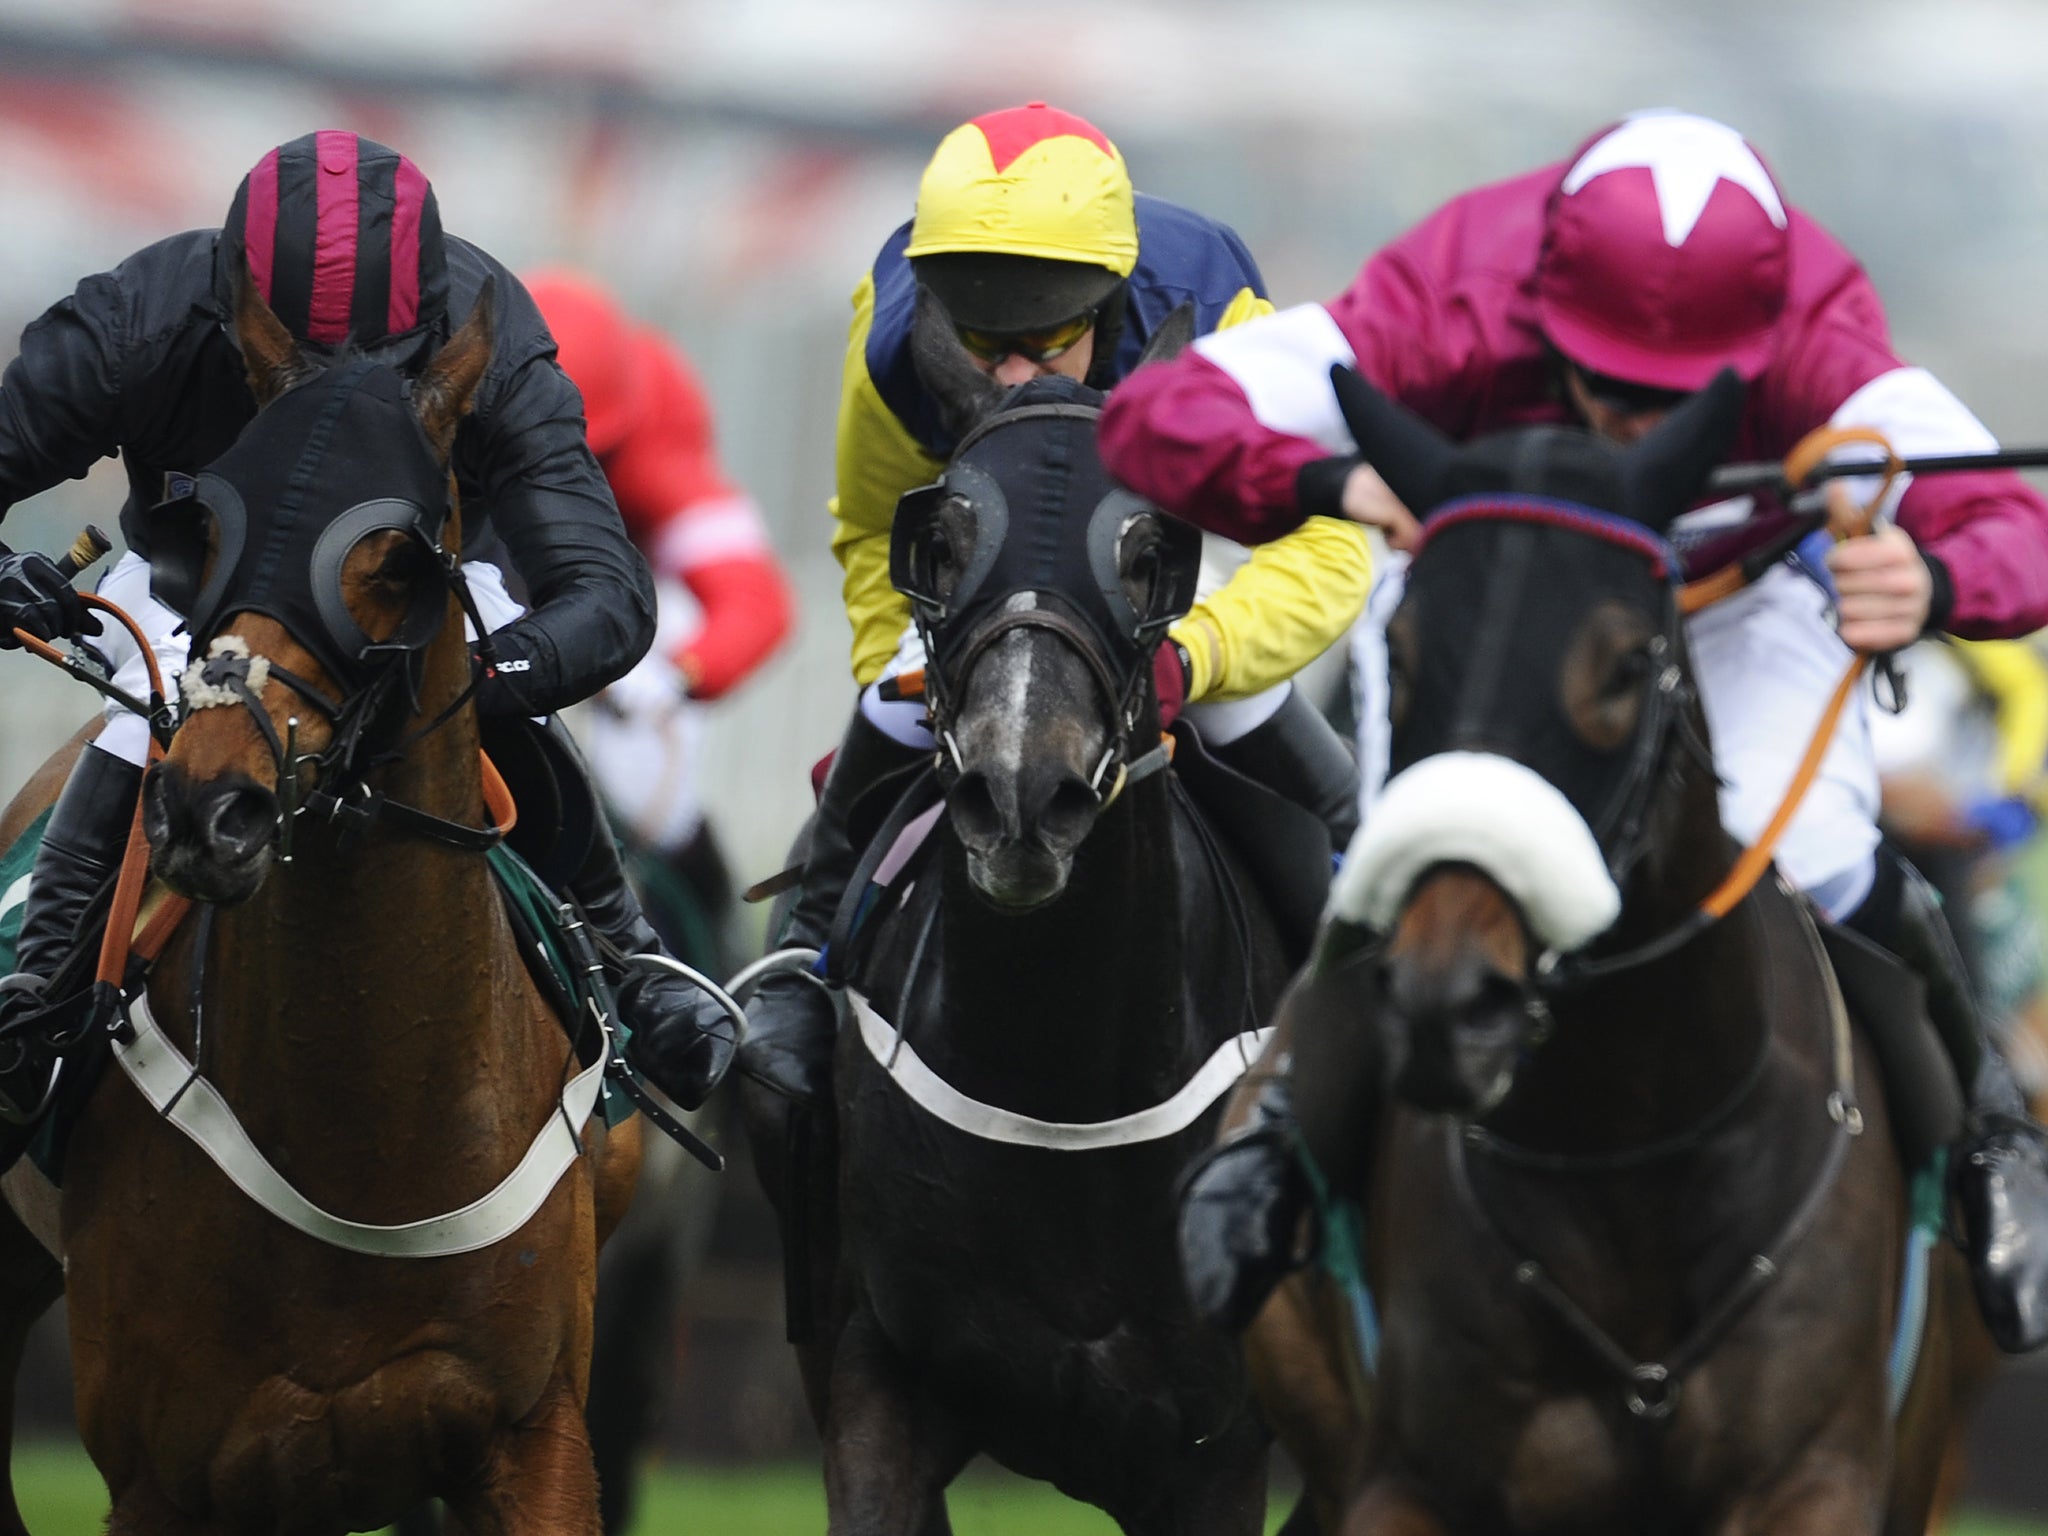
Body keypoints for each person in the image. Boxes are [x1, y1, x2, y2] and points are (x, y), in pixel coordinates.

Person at [1098, 109, 2048, 1353]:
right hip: (1503, 590)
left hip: (1727, 590)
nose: (1631, 430)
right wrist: (1323, 484)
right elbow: (1152, 419)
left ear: (1763, 335)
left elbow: (2012, 528)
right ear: (1538, 306)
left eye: (1674, 403)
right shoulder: (1448, 288)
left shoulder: (1820, 327)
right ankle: (1280, 1144)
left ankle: (1984, 1138)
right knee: (1417, 843)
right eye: (1607, 385)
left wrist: (1930, 581)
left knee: (1798, 836)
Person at [0, 131, 735, 1147]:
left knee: (483, 684)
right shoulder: (141, 315)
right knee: (162, 696)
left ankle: (630, 960)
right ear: (235, 307)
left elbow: (604, 591)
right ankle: (41, 1001)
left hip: (400, 590)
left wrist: (473, 678)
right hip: (196, 579)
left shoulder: (493, 332)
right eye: (293, 368)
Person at [738, 101, 1372, 1106]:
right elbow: (869, 526)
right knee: (889, 714)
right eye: (983, 345)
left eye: (1044, 340)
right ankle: (794, 978)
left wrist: (1194, 656)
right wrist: (905, 669)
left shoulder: (1216, 320)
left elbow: (1330, 543)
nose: (1014, 375)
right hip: (986, 571)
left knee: (1245, 712)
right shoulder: (895, 331)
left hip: (1167, 551)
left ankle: (1361, 998)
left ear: (1110, 300)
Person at [525, 269, 793, 919]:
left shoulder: (655, 449)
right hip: (511, 570)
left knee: (645, 787)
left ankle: (698, 947)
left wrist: (674, 675)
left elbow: (756, 604)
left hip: (626, 587)